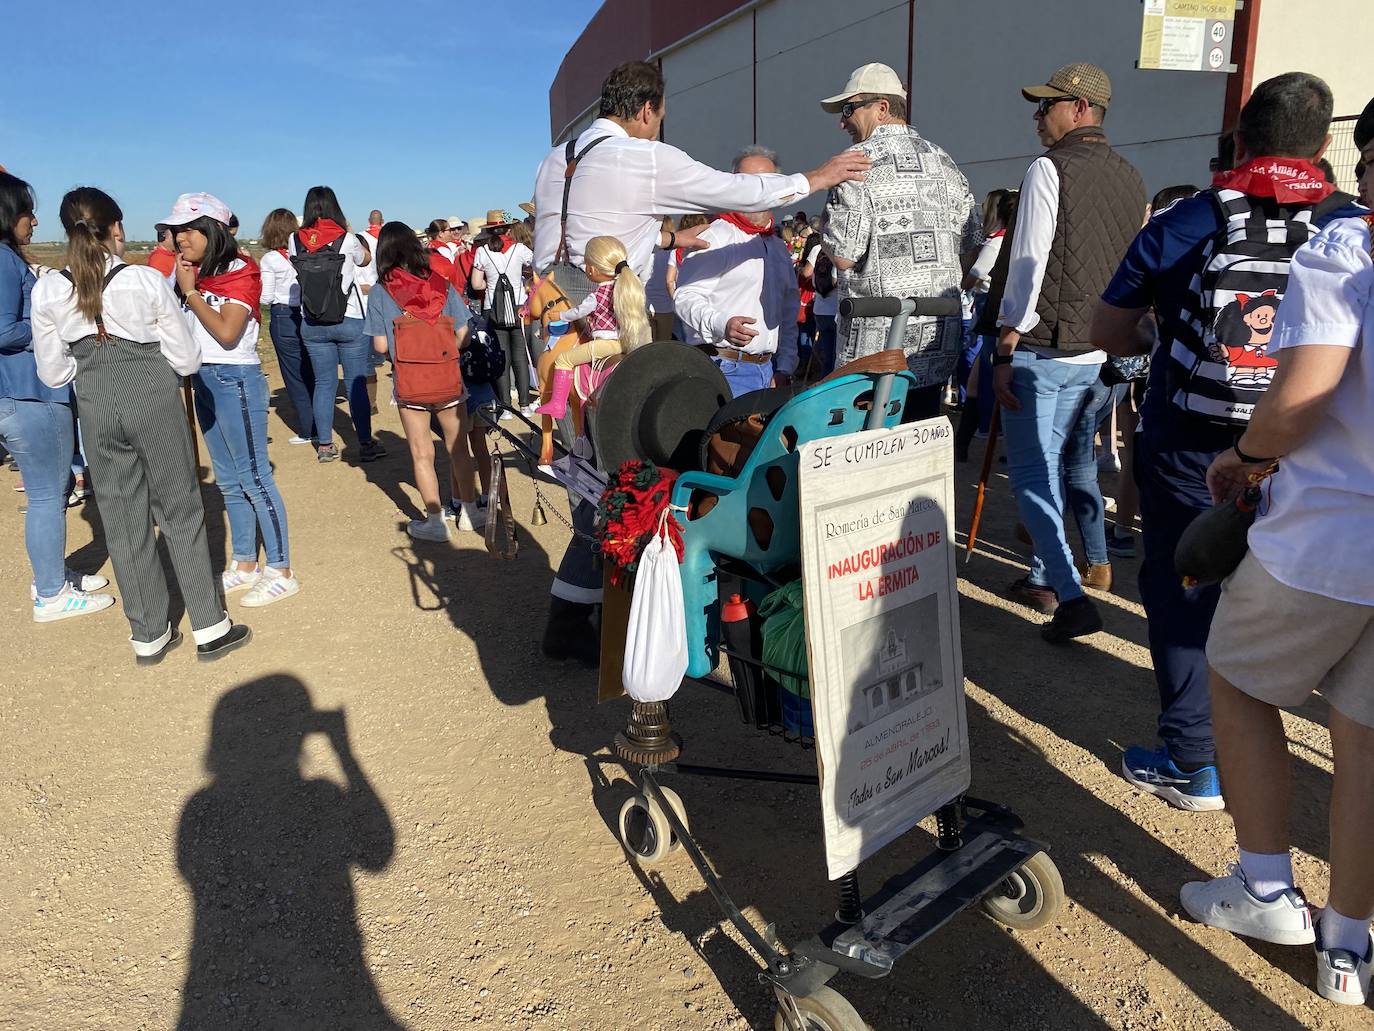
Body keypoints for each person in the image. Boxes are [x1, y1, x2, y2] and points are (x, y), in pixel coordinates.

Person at [531, 59, 870, 664]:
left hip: (562, 343)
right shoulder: (640, 155)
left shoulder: (561, 158)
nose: (658, 128)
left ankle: (578, 609)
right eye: (659, 118)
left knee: (595, 478)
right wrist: (816, 177)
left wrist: (663, 240)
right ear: (646, 110)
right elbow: (734, 190)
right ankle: (603, 620)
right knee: (626, 478)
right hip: (615, 342)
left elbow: (576, 241)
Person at [1091, 73, 1361, 811]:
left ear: (1241, 140)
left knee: (1185, 581)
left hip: (1190, 438)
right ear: (1321, 144)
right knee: (1285, 591)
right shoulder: (1352, 227)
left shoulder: (1188, 220)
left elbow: (1107, 329)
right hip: (1310, 444)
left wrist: (1159, 336)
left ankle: (1195, 760)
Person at [1181, 200, 1374, 1006]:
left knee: (1234, 678)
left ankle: (1265, 887)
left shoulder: (1349, 245)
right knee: (1367, 744)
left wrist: (1245, 455)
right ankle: (1347, 941)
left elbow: (1304, 393)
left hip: (1329, 532)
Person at [32, 187, 249, 662]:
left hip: (95, 401)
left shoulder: (48, 288)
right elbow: (187, 359)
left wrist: (90, 370)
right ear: (116, 229)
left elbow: (52, 373)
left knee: (122, 518)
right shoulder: (146, 281)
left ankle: (148, 631)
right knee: (180, 509)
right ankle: (209, 626)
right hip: (150, 392)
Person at [989, 62, 1146, 642]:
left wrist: (1009, 337)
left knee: (1032, 475)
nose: (1037, 116)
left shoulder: (1049, 169)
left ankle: (1069, 592)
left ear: (1079, 108)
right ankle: (1049, 576)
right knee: (1053, 468)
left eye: (1046, 105)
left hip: (1044, 345)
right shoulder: (1132, 176)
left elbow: (1029, 260)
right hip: (1096, 352)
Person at [819, 62, 982, 419]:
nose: (842, 121)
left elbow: (844, 256)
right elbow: (970, 245)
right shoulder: (945, 161)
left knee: (868, 455)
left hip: (875, 352)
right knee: (915, 453)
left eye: (848, 109)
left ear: (882, 107)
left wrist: (825, 234)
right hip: (934, 346)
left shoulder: (856, 165)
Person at [163, 191, 300, 609]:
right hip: (202, 377)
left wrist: (190, 293)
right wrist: (185, 286)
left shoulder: (240, 270)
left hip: (233, 377)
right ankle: (245, 563)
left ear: (211, 229)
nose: (178, 237)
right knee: (228, 481)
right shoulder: (193, 271)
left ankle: (281, 569)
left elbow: (226, 332)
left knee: (255, 477)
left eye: (187, 229)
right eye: (176, 229)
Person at [0, 171, 114, 622]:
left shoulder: (10, 258)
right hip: (30, 394)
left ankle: (54, 573)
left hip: (23, 393)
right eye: (27, 211)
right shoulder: (4, 262)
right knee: (49, 494)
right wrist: (52, 321)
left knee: (54, 490)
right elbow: (4, 329)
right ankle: (50, 593)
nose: (33, 220)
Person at [363, 221, 486, 539]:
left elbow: (379, 345)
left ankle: (434, 521)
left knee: (421, 452)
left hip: (409, 380)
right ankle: (470, 512)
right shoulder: (440, 284)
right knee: (458, 447)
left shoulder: (380, 291)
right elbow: (463, 334)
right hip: (447, 377)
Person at [675, 146, 801, 396]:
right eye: (747, 183)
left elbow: (788, 311)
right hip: (725, 369)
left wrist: (785, 367)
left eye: (766, 184)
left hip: (769, 371)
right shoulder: (717, 237)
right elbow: (685, 298)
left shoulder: (776, 247)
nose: (757, 192)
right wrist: (722, 324)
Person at [289, 185, 384, 464]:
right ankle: (365, 443)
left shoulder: (295, 239)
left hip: (312, 321)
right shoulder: (346, 237)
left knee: (324, 383)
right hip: (349, 317)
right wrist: (350, 231)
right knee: (354, 382)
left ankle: (326, 446)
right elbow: (365, 259)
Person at [535, 234, 650, 419]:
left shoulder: (597, 294)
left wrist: (561, 315)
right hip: (622, 342)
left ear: (593, 269)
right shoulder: (624, 290)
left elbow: (578, 312)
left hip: (603, 345)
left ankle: (557, 404)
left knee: (563, 360)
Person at [954, 189, 1015, 459]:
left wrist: (960, 285)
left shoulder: (997, 243)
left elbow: (975, 275)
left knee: (987, 377)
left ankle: (985, 437)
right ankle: (965, 445)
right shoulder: (1019, 241)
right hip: (1002, 311)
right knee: (983, 377)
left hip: (992, 311)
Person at [259, 208, 314, 445]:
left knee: (293, 376)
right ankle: (320, 421)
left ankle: (307, 427)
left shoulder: (270, 259)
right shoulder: (305, 254)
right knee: (311, 370)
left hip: (283, 315)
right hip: (308, 313)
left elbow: (266, 298)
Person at [470, 212, 535, 412]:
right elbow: (535, 271)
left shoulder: (482, 251)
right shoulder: (520, 249)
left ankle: (505, 406)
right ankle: (525, 405)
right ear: (509, 228)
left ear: (488, 231)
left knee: (501, 355)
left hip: (493, 307)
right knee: (520, 355)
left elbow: (476, 284)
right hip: (519, 306)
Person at [645, 216, 677, 341]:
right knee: (663, 348)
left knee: (647, 347)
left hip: (646, 306)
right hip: (666, 307)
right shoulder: (673, 255)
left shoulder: (648, 254)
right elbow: (672, 282)